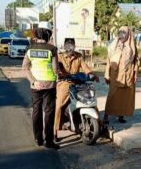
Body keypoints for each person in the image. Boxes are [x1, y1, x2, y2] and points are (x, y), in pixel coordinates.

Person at [22, 21, 60, 149]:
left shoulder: (30, 48)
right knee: (49, 113)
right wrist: (58, 74)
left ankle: (38, 139)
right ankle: (49, 141)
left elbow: (25, 68)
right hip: (49, 85)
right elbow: (55, 69)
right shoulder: (52, 49)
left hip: (35, 85)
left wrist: (33, 81)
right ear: (48, 34)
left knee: (36, 111)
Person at [54, 38, 99, 142]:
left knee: (91, 101)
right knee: (58, 105)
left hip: (78, 83)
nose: (70, 47)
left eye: (71, 45)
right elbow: (56, 69)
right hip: (65, 83)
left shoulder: (78, 56)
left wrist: (92, 75)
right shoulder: (59, 56)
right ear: (64, 46)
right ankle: (54, 131)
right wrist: (58, 73)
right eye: (68, 45)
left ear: (74, 46)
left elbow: (85, 68)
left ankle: (99, 124)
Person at [103, 26, 140, 124]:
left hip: (128, 75)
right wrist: (107, 75)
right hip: (115, 76)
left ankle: (121, 116)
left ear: (128, 34)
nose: (122, 34)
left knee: (125, 98)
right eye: (121, 32)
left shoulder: (132, 46)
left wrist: (136, 73)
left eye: (125, 32)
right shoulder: (114, 45)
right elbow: (108, 60)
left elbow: (136, 60)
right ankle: (106, 116)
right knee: (112, 96)